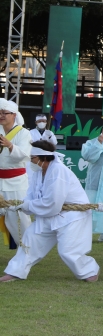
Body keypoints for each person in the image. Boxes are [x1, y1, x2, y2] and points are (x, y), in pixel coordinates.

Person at [1, 141, 99, 283]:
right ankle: (15, 271)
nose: (31, 160)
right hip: (47, 215)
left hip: (72, 215)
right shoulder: (38, 173)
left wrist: (27, 205)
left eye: (33, 158)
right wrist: (20, 204)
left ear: (44, 157)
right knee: (30, 238)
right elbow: (31, 195)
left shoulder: (58, 171)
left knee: (67, 251)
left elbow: (52, 203)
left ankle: (89, 271)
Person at [0, 99, 33, 248]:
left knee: (18, 217)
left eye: (4, 113)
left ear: (14, 115)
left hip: (15, 181)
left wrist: (10, 145)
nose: (1, 115)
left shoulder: (24, 133)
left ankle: (26, 249)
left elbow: (25, 155)